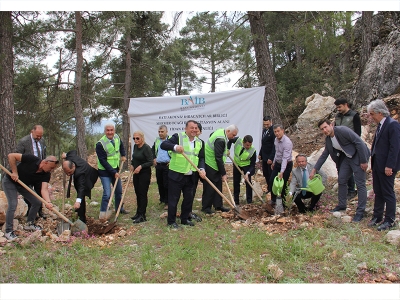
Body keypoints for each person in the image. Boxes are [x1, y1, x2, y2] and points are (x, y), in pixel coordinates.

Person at [310, 119, 370, 222]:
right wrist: (315, 169)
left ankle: (360, 212)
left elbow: (359, 142)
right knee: (342, 180)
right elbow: (325, 154)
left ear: (331, 125)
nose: (325, 130)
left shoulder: (343, 130)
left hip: (358, 156)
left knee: (360, 184)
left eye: (326, 127)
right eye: (322, 129)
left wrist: (364, 161)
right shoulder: (329, 139)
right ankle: (342, 205)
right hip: (347, 158)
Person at [161, 120, 206, 228]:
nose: (194, 130)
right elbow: (164, 145)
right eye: (192, 127)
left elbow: (201, 157)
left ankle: (184, 219)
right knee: (173, 199)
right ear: (186, 129)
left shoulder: (200, 142)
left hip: (191, 175)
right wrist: (175, 147)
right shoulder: (178, 137)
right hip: (176, 174)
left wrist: (202, 168)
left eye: (196, 128)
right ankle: (171, 222)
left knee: (188, 198)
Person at [2, 153, 57, 241]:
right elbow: (11, 156)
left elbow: (44, 189)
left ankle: (29, 223)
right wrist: (15, 172)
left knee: (37, 202)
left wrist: (48, 202)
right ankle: (8, 231)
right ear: (46, 162)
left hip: (24, 185)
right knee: (13, 204)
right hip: (10, 181)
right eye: (51, 168)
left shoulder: (46, 174)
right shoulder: (31, 159)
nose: (52, 170)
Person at [367, 99, 400, 231]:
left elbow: (395, 147)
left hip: (387, 166)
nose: (371, 117)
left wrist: (389, 166)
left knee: (387, 192)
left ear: (380, 113)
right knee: (378, 191)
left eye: (372, 114)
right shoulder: (381, 125)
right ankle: (377, 217)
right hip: (377, 165)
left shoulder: (392, 125)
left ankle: (390, 220)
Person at [201, 124, 239, 214]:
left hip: (215, 163)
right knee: (210, 186)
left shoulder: (222, 132)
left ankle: (218, 205)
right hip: (211, 163)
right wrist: (224, 173)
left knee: (218, 184)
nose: (233, 137)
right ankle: (206, 207)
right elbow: (218, 157)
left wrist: (225, 151)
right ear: (228, 131)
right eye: (233, 135)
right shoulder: (220, 139)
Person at [96, 123, 128, 219]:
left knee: (118, 191)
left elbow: (121, 146)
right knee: (107, 193)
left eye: (111, 130)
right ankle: (103, 213)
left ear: (114, 131)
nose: (110, 132)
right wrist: (113, 172)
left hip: (115, 168)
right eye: (108, 130)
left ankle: (119, 208)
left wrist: (123, 154)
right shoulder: (100, 144)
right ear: (105, 131)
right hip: (105, 172)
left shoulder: (117, 137)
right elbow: (103, 161)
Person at [15, 124, 47, 219]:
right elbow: (17, 156)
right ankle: (30, 212)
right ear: (32, 131)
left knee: (39, 190)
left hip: (39, 171)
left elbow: (44, 154)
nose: (39, 137)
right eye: (37, 135)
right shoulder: (23, 142)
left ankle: (39, 211)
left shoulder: (42, 141)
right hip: (28, 172)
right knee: (29, 191)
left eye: (41, 135)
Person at [334, 98, 362, 200]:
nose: (338, 109)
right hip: (339, 147)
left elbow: (358, 133)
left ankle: (352, 190)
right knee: (341, 168)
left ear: (346, 105)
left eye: (340, 107)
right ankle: (345, 189)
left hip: (350, 147)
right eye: (337, 107)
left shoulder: (354, 116)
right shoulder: (338, 116)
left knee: (351, 168)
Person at [62, 150, 99, 224]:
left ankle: (82, 219)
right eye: (66, 173)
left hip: (89, 177)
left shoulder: (79, 173)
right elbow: (73, 152)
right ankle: (79, 211)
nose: (68, 175)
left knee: (82, 193)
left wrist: (78, 201)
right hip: (80, 173)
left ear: (73, 166)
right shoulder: (71, 157)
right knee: (79, 192)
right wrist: (66, 155)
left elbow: (81, 188)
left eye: (69, 172)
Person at [130, 131, 153, 223]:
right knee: (137, 193)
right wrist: (132, 164)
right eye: (134, 138)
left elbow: (150, 161)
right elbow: (134, 158)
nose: (135, 140)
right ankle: (138, 213)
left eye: (137, 138)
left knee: (143, 193)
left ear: (142, 138)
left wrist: (141, 166)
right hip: (136, 173)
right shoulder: (135, 146)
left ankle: (142, 215)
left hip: (144, 173)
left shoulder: (146, 148)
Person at [228, 135, 256, 205]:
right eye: (247, 145)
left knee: (248, 182)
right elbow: (230, 140)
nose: (248, 147)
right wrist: (227, 149)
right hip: (237, 163)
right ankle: (236, 201)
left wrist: (248, 173)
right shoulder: (238, 140)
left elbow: (252, 164)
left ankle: (249, 201)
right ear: (243, 142)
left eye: (250, 145)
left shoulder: (253, 150)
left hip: (246, 165)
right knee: (236, 181)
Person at [270, 124, 293, 207]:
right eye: (275, 132)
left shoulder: (287, 142)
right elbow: (277, 152)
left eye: (278, 131)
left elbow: (285, 158)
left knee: (283, 184)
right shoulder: (276, 140)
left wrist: (282, 171)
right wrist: (273, 162)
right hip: (277, 163)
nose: (277, 133)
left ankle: (284, 204)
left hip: (286, 164)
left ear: (282, 131)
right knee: (272, 180)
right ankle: (273, 200)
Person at [151, 125, 170, 210]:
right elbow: (152, 151)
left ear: (166, 132)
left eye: (162, 132)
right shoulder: (157, 140)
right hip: (158, 165)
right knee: (160, 183)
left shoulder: (170, 140)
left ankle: (167, 202)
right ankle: (162, 199)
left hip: (167, 165)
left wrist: (171, 161)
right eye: (159, 132)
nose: (160, 133)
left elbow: (175, 152)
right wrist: (154, 158)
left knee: (167, 184)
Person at [258, 116, 275, 192]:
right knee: (265, 173)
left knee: (271, 174)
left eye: (267, 124)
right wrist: (260, 153)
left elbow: (274, 146)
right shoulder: (264, 131)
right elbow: (263, 143)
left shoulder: (273, 131)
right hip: (264, 155)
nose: (266, 126)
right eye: (264, 124)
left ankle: (272, 189)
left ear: (271, 122)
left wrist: (271, 158)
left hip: (270, 155)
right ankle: (269, 188)